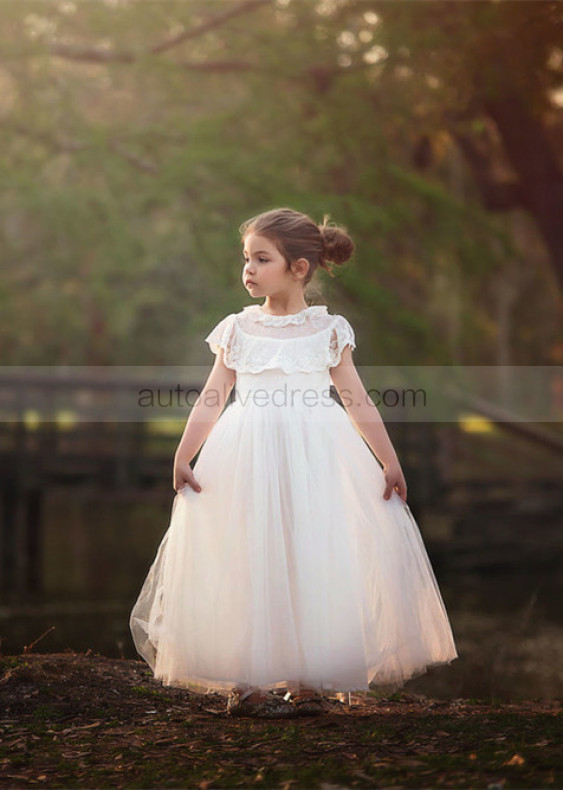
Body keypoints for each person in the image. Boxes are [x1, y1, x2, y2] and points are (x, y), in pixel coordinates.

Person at [129, 207, 458, 718]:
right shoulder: (237, 328)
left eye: (262, 259)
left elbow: (356, 399)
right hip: (245, 452)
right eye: (246, 259)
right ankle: (248, 678)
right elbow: (214, 394)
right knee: (246, 551)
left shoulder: (328, 331)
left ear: (299, 267)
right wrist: (185, 451)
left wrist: (388, 461)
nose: (249, 269)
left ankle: (307, 678)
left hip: (317, 455)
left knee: (312, 552)